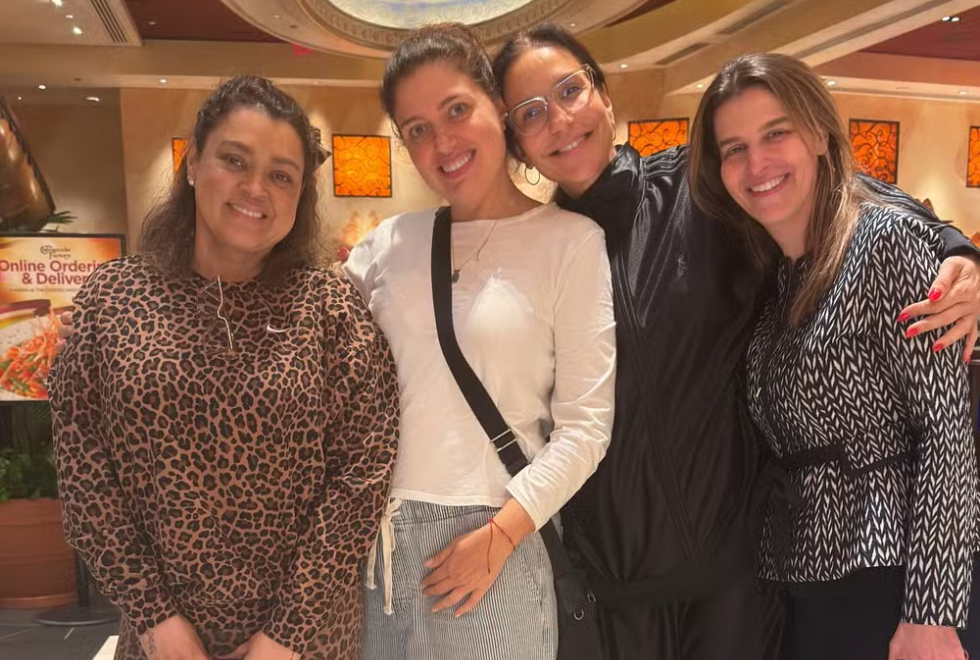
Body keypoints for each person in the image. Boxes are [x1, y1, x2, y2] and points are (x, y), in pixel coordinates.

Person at [492, 24, 980, 660]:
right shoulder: (534, 252)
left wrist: (954, 245)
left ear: (605, 96)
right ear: (518, 144)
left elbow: (828, 187)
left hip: (740, 581)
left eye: (569, 91)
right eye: (531, 113)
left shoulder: (695, 189)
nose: (559, 120)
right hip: (620, 590)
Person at [49, 76, 400, 660]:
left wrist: (287, 633)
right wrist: (155, 618)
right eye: (234, 160)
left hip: (305, 642)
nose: (254, 188)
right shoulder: (111, 298)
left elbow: (363, 473)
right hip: (161, 640)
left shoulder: (331, 308)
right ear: (192, 164)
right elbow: (85, 474)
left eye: (281, 175)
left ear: (301, 194)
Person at [687, 52, 979, 660]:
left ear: (820, 134)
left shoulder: (885, 242)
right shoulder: (777, 276)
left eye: (776, 134)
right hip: (805, 570)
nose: (756, 164)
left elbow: (947, 432)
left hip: (893, 571)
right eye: (735, 148)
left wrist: (931, 613)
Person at [343, 24, 616, 660]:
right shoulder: (390, 243)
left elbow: (586, 428)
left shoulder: (571, 242)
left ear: (497, 105)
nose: (442, 142)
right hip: (378, 545)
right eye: (417, 129)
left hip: (495, 537)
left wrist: (501, 536)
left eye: (456, 110)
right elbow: (312, 340)